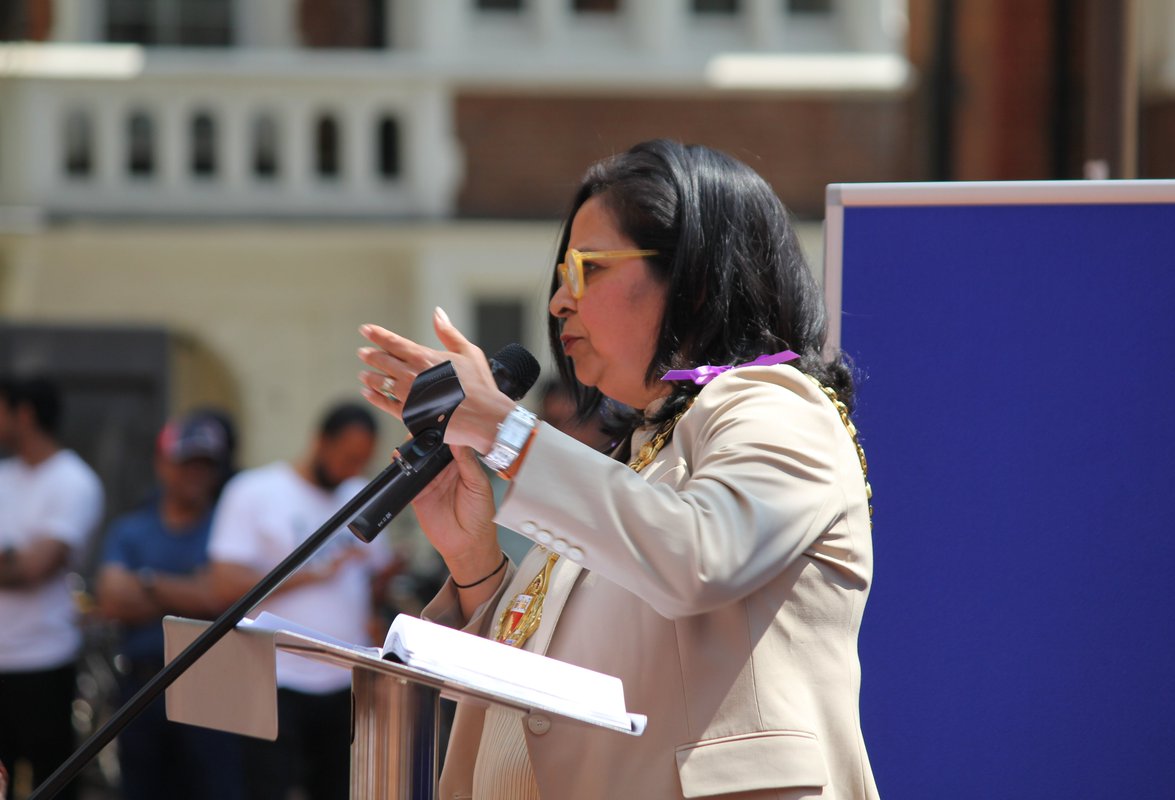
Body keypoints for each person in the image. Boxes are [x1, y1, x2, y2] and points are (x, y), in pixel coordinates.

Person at [356, 139, 878, 799]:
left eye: (586, 269)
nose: (557, 302)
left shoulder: (779, 407)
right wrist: (476, 569)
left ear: (691, 281)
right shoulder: (636, 453)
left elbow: (697, 556)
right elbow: (560, 680)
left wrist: (505, 430)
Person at [207, 402, 397, 800]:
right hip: (275, 678)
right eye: (347, 458)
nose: (351, 469)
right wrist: (311, 573)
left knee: (341, 789)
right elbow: (225, 584)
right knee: (269, 788)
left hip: (346, 679)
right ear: (319, 441)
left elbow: (374, 576)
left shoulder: (363, 494)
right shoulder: (254, 491)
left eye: (361, 461)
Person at [95, 411, 243, 800]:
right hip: (141, 686)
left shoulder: (227, 525)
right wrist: (191, 590)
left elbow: (220, 598)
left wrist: (146, 582)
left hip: (210, 683)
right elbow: (111, 598)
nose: (196, 474)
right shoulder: (131, 530)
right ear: (162, 464)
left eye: (205, 465)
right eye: (186, 463)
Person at [0, 377, 104, 800]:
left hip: (44, 661)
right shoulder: (4, 474)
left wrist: (17, 560)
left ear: (23, 414)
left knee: (51, 785)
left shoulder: (74, 481)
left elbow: (34, 567)